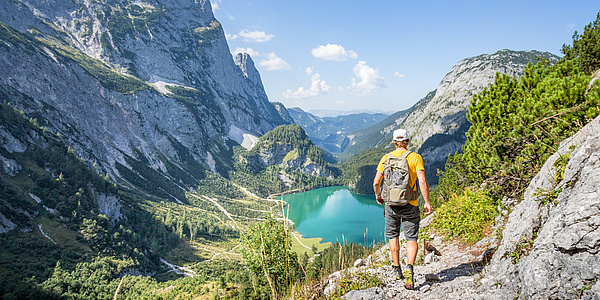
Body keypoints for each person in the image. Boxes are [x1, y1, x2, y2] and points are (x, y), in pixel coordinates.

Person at [373, 128, 432, 290]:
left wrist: (379, 196)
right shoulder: (415, 158)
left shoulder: (386, 158)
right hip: (410, 204)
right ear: (407, 141)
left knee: (393, 236)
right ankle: (409, 268)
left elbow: (376, 183)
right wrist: (426, 201)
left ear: (393, 142)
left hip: (391, 204)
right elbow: (422, 181)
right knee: (411, 238)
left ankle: (396, 268)